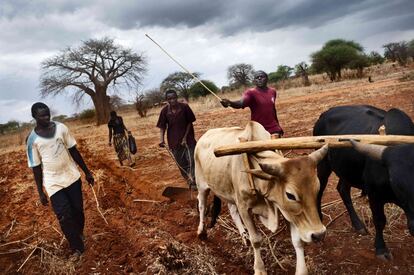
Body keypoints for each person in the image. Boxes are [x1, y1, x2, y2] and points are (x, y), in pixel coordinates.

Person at [26, 102, 94, 259]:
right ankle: (76, 248)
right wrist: (40, 192)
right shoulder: (31, 140)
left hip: (71, 176)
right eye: (42, 115)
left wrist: (87, 172)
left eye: (48, 114)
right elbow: (36, 168)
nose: (46, 117)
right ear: (34, 117)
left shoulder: (61, 128)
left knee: (77, 210)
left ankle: (78, 233)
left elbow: (73, 151)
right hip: (53, 182)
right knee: (64, 216)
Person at [220, 70, 284, 137]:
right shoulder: (251, 93)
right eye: (257, 77)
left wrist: (278, 125)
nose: (259, 78)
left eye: (262, 76)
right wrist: (230, 103)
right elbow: (241, 103)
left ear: (267, 78)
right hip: (258, 130)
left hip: (274, 129)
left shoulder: (272, 91)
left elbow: (273, 110)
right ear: (254, 81)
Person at [156, 89, 197, 191]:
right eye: (170, 99)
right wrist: (161, 140)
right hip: (173, 141)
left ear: (177, 97)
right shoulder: (164, 111)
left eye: (174, 98)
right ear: (166, 100)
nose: (172, 100)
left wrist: (185, 137)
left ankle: (194, 182)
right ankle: (188, 179)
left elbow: (189, 122)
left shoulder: (185, 107)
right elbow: (162, 127)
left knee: (192, 160)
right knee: (181, 163)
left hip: (189, 139)